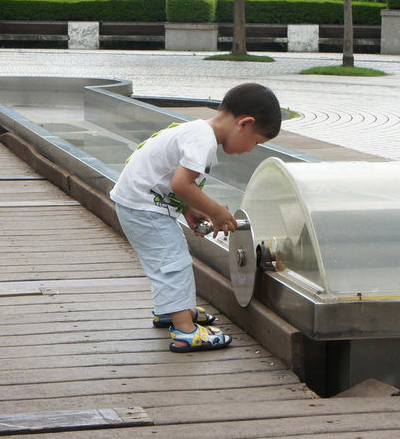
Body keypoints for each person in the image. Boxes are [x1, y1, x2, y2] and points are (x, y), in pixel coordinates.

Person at [110, 83, 282, 352]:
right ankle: (185, 331)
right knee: (173, 262)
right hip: (143, 208)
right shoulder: (203, 139)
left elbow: (168, 180)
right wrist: (216, 211)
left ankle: (172, 310)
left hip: (139, 204)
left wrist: (187, 209)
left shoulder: (197, 131)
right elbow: (182, 184)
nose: (251, 149)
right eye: (256, 142)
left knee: (167, 259)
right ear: (245, 124)